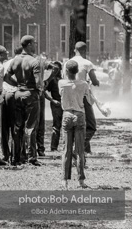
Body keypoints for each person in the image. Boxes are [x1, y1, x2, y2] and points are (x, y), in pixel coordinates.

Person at [4, 35, 42, 166]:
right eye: (34, 43)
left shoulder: (14, 60)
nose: (36, 45)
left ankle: (16, 157)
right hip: (31, 94)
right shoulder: (34, 61)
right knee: (30, 127)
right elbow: (38, 83)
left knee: (17, 127)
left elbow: (6, 77)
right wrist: (40, 89)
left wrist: (18, 85)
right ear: (29, 44)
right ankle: (32, 157)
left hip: (18, 94)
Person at [59, 60, 89, 189]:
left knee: (66, 149)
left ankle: (64, 180)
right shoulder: (84, 84)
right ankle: (81, 180)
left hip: (67, 115)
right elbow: (89, 100)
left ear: (66, 71)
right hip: (79, 114)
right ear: (77, 71)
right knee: (80, 150)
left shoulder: (61, 83)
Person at [65, 42, 99, 154]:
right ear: (85, 50)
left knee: (72, 124)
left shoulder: (67, 63)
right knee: (91, 126)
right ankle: (80, 146)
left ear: (75, 50)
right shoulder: (87, 63)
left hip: (68, 97)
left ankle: (84, 150)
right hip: (83, 98)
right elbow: (94, 81)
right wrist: (95, 82)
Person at [1, 46, 22, 163]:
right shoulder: (21, 62)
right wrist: (20, 85)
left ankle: (5, 154)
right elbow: (8, 77)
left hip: (4, 93)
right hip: (15, 94)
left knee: (4, 127)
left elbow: (3, 78)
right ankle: (16, 156)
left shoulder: (6, 63)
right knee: (17, 126)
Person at [44, 61, 63, 151]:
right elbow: (43, 91)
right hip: (56, 104)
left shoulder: (63, 79)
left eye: (58, 69)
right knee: (56, 126)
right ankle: (54, 147)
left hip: (65, 104)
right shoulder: (51, 80)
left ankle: (66, 146)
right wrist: (52, 100)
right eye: (55, 69)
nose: (56, 70)